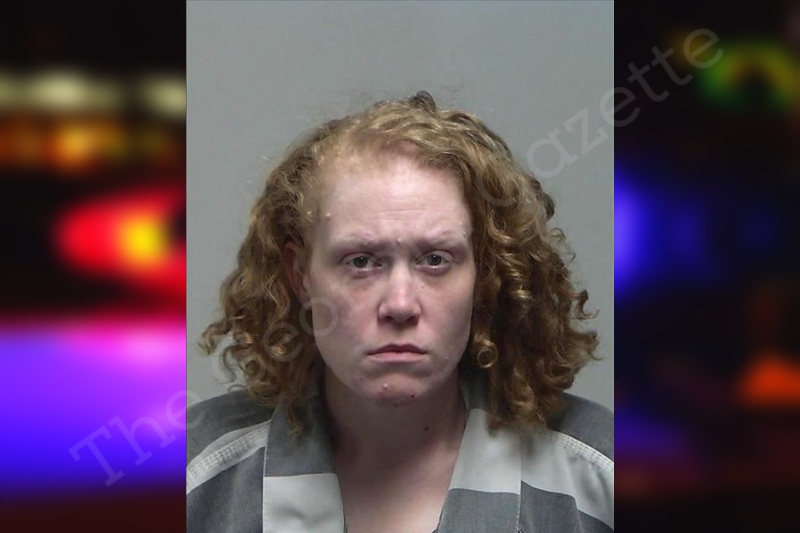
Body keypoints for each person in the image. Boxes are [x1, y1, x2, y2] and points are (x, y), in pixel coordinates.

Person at [186, 91, 613, 533]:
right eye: (361, 261)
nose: (400, 305)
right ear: (301, 276)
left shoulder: (602, 481)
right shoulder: (193, 477)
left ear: (484, 274)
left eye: (435, 260)